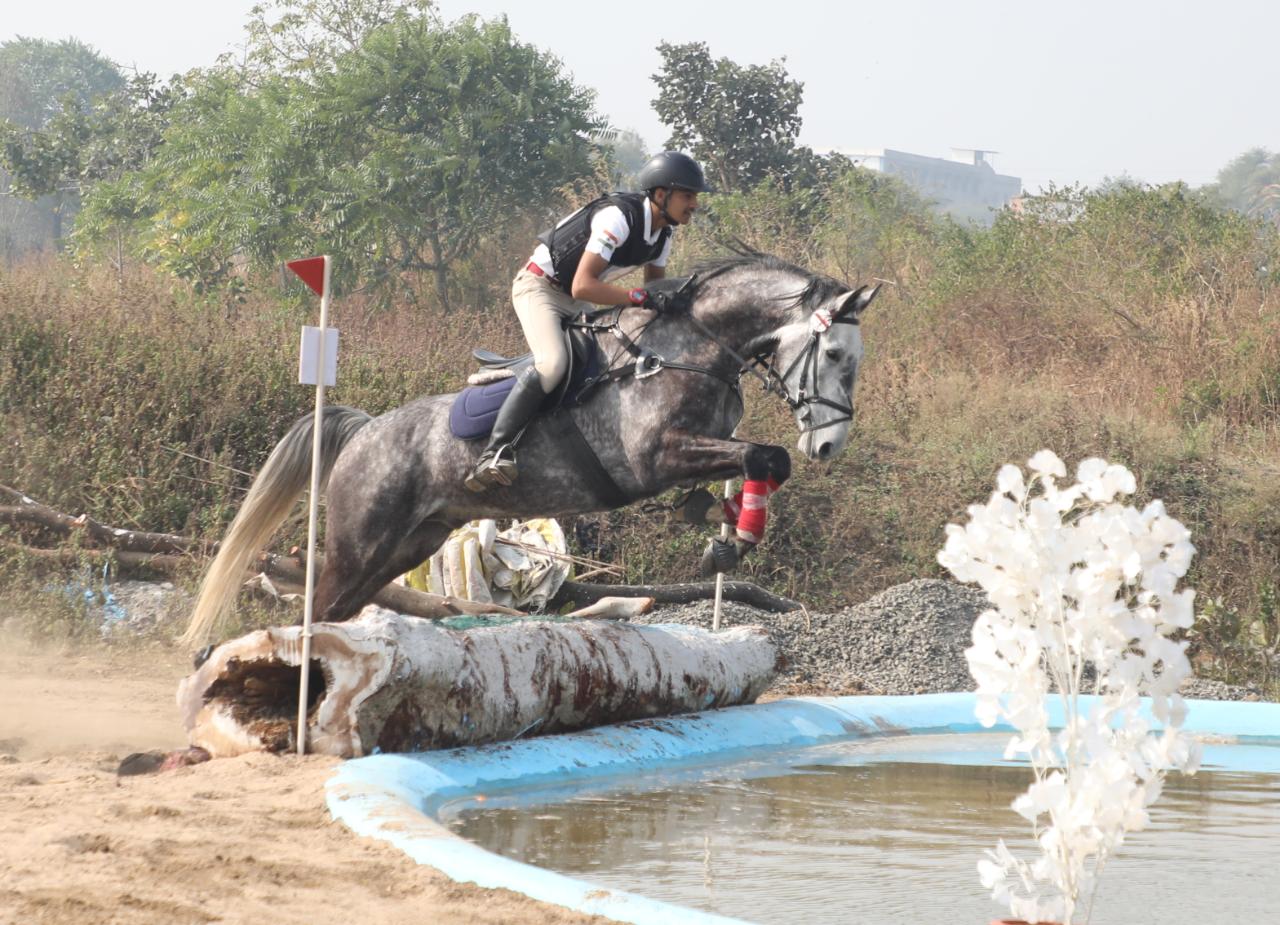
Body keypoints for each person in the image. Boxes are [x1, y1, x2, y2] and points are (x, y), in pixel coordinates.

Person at [464, 151, 712, 492]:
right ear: (660, 195)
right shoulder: (618, 218)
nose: (694, 204)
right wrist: (635, 298)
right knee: (553, 364)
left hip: (575, 298)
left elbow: (653, 291)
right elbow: (586, 285)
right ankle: (494, 453)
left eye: (695, 196)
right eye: (688, 195)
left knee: (613, 359)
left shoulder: (663, 234)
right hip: (540, 289)